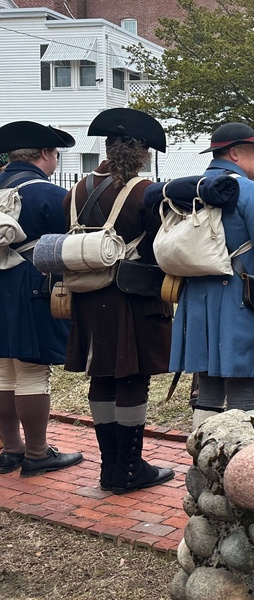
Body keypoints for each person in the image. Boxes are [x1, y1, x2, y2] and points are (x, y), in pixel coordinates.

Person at [63, 108, 175, 493]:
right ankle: (129, 469)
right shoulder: (145, 192)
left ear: (107, 147)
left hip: (87, 297)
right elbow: (164, 246)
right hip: (130, 297)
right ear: (142, 152)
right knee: (131, 379)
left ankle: (110, 467)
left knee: (102, 376)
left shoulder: (76, 189)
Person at [169, 123, 254, 429]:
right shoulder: (249, 190)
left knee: (207, 385)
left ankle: (203, 458)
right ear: (235, 153)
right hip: (239, 297)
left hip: (196, 297)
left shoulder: (191, 187)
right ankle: (236, 463)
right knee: (243, 386)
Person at [0, 122, 82, 476]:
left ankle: (10, 449)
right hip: (30, 287)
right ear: (45, 154)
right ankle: (36, 453)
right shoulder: (49, 194)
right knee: (33, 372)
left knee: (3, 371)